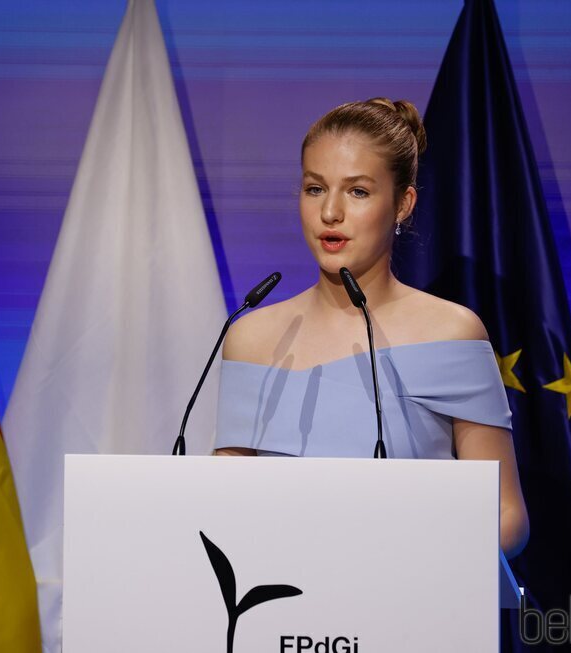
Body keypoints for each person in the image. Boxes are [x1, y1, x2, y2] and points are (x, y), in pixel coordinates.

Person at [213, 98, 530, 559]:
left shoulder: (452, 332)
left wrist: (417, 561)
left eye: (358, 191)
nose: (330, 213)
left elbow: (506, 514)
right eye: (315, 189)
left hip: (414, 608)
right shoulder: (254, 337)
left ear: (403, 203)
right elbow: (223, 502)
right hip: (281, 611)